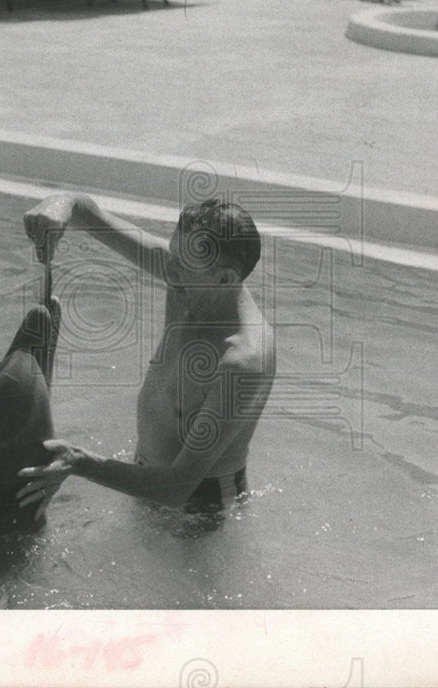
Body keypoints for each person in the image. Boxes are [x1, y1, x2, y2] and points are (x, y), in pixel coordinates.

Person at [16, 194, 275, 520]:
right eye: (173, 252)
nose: (168, 269)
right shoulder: (190, 277)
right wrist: (62, 205)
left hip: (198, 514)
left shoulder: (242, 361)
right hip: (147, 483)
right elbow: (88, 215)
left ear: (224, 278)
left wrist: (79, 462)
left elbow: (178, 487)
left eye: (181, 264)